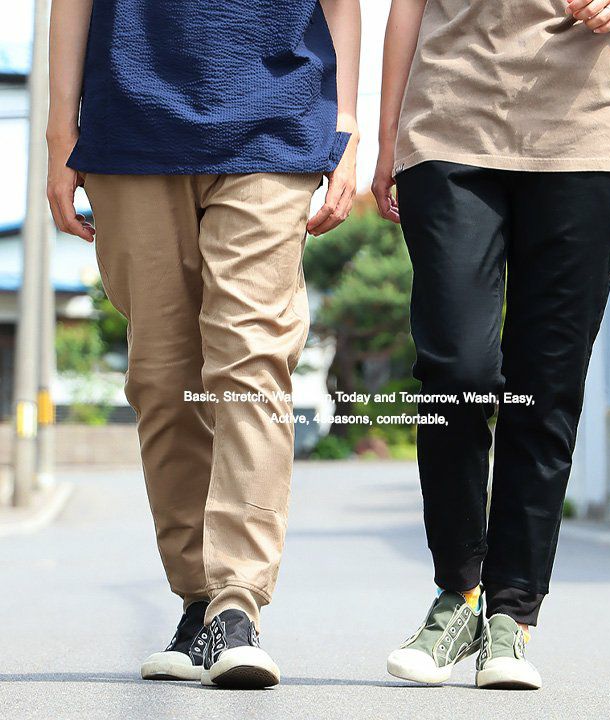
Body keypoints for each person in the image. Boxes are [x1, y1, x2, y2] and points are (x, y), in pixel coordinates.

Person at [47, 0, 360, 689]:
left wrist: (345, 122)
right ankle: (197, 601)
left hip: (275, 120)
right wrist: (59, 132)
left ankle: (237, 602)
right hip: (132, 125)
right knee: (163, 377)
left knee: (251, 361)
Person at [372, 0, 610, 688]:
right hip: (448, 131)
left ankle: (511, 614)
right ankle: (457, 595)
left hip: (584, 138)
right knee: (456, 369)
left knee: (547, 387)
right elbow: (406, 7)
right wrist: (388, 139)